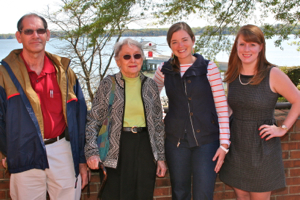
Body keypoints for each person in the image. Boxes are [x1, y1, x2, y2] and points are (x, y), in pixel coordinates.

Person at [0, 13, 88, 200]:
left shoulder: (64, 72)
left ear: (48, 34)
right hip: (24, 152)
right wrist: (8, 151)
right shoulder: (4, 74)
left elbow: (80, 118)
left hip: (62, 150)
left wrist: (81, 159)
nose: (35, 35)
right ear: (19, 36)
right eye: (29, 31)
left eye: (40, 30)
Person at [219, 24, 300, 200]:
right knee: (241, 196)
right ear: (236, 46)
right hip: (237, 146)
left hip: (262, 148)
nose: (246, 49)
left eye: (252, 44)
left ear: (261, 47)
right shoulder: (232, 73)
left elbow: (298, 100)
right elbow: (231, 106)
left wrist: (283, 128)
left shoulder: (273, 74)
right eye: (242, 44)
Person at [153, 22, 230, 200]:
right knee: (180, 193)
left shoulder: (209, 69)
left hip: (206, 141)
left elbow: (221, 107)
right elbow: (150, 97)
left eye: (184, 40)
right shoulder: (163, 70)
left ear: (193, 40)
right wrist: (162, 115)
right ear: (170, 45)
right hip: (176, 143)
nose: (180, 46)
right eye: (174, 42)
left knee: (203, 194)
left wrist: (224, 144)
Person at [85, 38, 167, 200]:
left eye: (137, 56)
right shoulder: (108, 84)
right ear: (117, 61)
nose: (132, 60)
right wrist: (92, 152)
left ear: (142, 59)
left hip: (145, 148)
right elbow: (93, 121)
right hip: (114, 150)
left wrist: (161, 158)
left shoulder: (150, 85)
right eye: (126, 57)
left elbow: (158, 125)